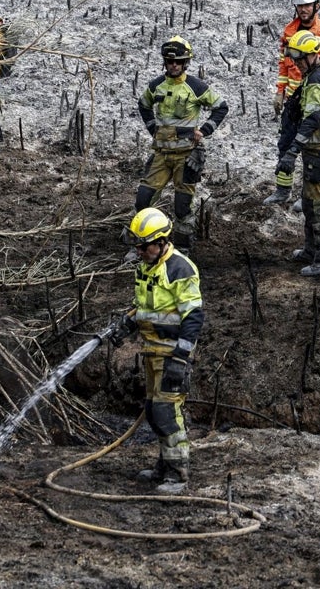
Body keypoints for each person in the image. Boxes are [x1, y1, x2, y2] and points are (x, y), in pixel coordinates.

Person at [109, 207, 205, 495]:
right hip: (152, 350)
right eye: (137, 246)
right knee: (153, 411)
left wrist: (181, 358)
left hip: (171, 354)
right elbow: (148, 308)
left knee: (166, 412)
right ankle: (164, 466)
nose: (139, 252)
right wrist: (129, 322)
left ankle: (178, 473)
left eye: (143, 246)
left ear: (161, 241)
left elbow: (193, 317)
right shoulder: (146, 267)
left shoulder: (180, 269)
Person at [133, 36, 228, 252]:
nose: (173, 65)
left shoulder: (195, 86)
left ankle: (183, 248)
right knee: (143, 200)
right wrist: (152, 128)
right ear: (164, 62)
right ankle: (139, 243)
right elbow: (143, 104)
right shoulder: (156, 86)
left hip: (186, 157)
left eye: (178, 61)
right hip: (161, 155)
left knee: (182, 206)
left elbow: (221, 107)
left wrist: (205, 130)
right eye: (169, 61)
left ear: (186, 62)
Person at [263, 30, 320, 276]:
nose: (296, 64)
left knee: (318, 205)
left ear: (313, 55)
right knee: (309, 203)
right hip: (317, 150)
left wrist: (291, 152)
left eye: (299, 59)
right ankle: (312, 250)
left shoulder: (318, 80)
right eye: (294, 59)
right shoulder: (315, 74)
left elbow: (311, 120)